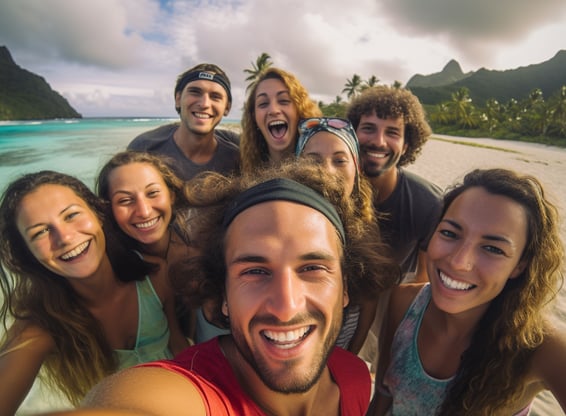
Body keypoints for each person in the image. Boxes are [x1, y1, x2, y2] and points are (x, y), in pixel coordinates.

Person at [71, 160, 396, 415]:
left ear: (344, 289)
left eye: (312, 268)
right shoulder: (185, 392)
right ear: (222, 295)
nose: (286, 307)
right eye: (255, 271)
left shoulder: (353, 377)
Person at [370, 168, 566, 415]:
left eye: (493, 249)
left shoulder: (538, 347)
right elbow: (382, 396)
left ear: (520, 265)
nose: (459, 262)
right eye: (450, 233)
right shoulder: (403, 303)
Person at [0, 171, 188, 414]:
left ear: (97, 214)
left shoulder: (154, 275)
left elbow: (177, 342)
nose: (65, 238)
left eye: (71, 215)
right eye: (40, 232)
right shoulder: (42, 326)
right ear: (28, 254)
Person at [295, 117, 399, 354]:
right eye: (313, 160)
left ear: (356, 170)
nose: (327, 170)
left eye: (340, 160)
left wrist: (349, 356)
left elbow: (369, 302)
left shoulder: (365, 229)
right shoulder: (281, 223)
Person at [96, 151, 210, 341]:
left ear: (171, 196)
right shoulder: (108, 270)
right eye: (125, 200)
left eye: (153, 193)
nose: (144, 211)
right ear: (109, 209)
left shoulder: (200, 247)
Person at [347, 85, 443, 283]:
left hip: (392, 296)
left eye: (392, 132)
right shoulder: (330, 189)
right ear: (352, 134)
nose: (379, 141)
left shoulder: (429, 203)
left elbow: (422, 281)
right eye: (368, 128)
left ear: (406, 145)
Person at [127, 63, 239, 180]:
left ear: (227, 107)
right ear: (178, 99)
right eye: (195, 92)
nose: (204, 104)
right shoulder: (144, 149)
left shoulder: (238, 155)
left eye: (215, 96)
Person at [240, 67, 322, 175]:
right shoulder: (243, 172)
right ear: (254, 117)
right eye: (263, 104)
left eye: (284, 101)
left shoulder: (321, 169)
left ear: (300, 111)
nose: (273, 110)